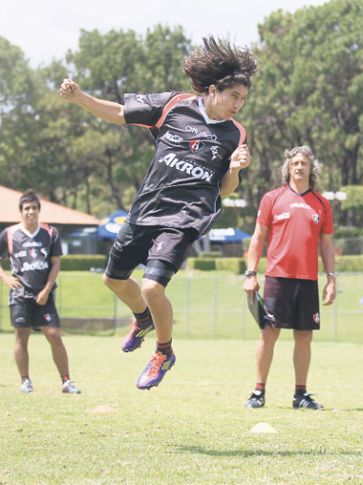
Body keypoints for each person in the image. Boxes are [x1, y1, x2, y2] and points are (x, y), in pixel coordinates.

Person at [59, 36, 257, 390]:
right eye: (234, 97)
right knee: (113, 280)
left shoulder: (234, 134)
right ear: (213, 90)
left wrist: (236, 170)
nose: (239, 105)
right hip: (146, 210)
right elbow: (120, 113)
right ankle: (142, 319)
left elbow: (224, 189)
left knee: (151, 286)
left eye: (243, 99)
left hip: (185, 219)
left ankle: (163, 352)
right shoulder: (174, 105)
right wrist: (80, 98)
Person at [242, 146, 336, 410]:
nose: (299, 166)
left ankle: (301, 395)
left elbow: (327, 245)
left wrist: (331, 279)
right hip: (277, 278)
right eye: (295, 162)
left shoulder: (322, 204)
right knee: (268, 334)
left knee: (304, 336)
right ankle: (258, 392)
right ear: (288, 168)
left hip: (307, 281)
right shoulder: (272, 198)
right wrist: (251, 273)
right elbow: (258, 238)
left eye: (304, 162)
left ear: (311, 168)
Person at [0, 190, 81, 394]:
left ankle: (66, 381)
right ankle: (25, 380)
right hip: (20, 295)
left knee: (54, 334)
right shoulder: (10, 234)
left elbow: (56, 263)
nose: (31, 212)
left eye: (34, 208)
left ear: (39, 211)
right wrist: (4, 277)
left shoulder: (50, 233)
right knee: (22, 335)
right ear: (20, 212)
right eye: (27, 208)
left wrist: (47, 289)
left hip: (43, 295)